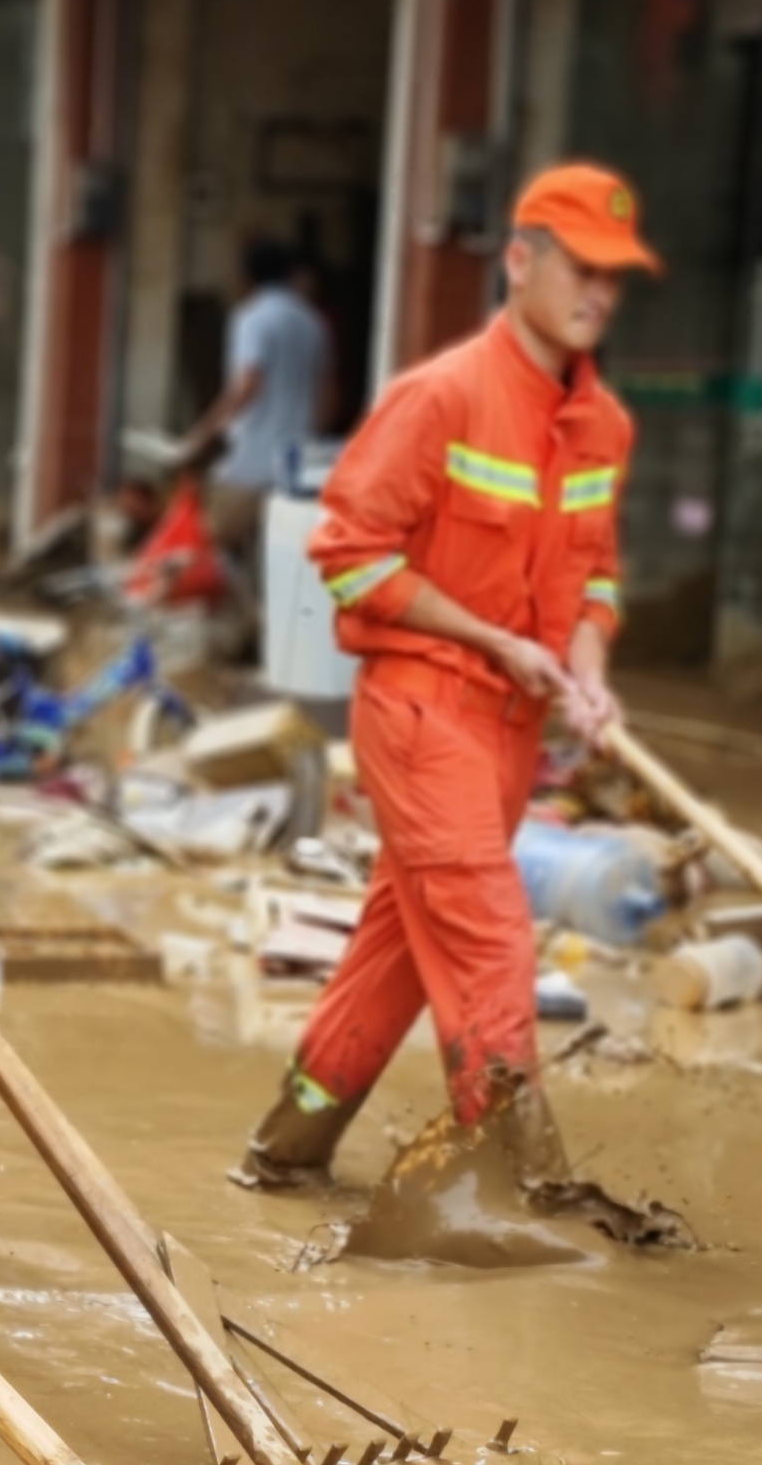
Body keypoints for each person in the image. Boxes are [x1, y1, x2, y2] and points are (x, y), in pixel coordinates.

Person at [238, 164, 651, 1190]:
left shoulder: (605, 427)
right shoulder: (442, 397)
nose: (597, 293)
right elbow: (350, 553)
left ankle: (287, 1148)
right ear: (519, 263)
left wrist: (589, 673)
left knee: (398, 949)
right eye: (579, 269)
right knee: (489, 944)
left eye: (615, 277)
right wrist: (492, 639)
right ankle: (518, 1194)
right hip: (423, 711)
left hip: (511, 732)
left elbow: (594, 577)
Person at [186, 237, 333, 589]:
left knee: (213, 539)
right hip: (296, 462)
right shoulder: (313, 322)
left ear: (246, 278)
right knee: (276, 555)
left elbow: (247, 383)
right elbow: (329, 393)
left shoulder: (251, 318)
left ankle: (234, 628)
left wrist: (204, 433)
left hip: (251, 460)